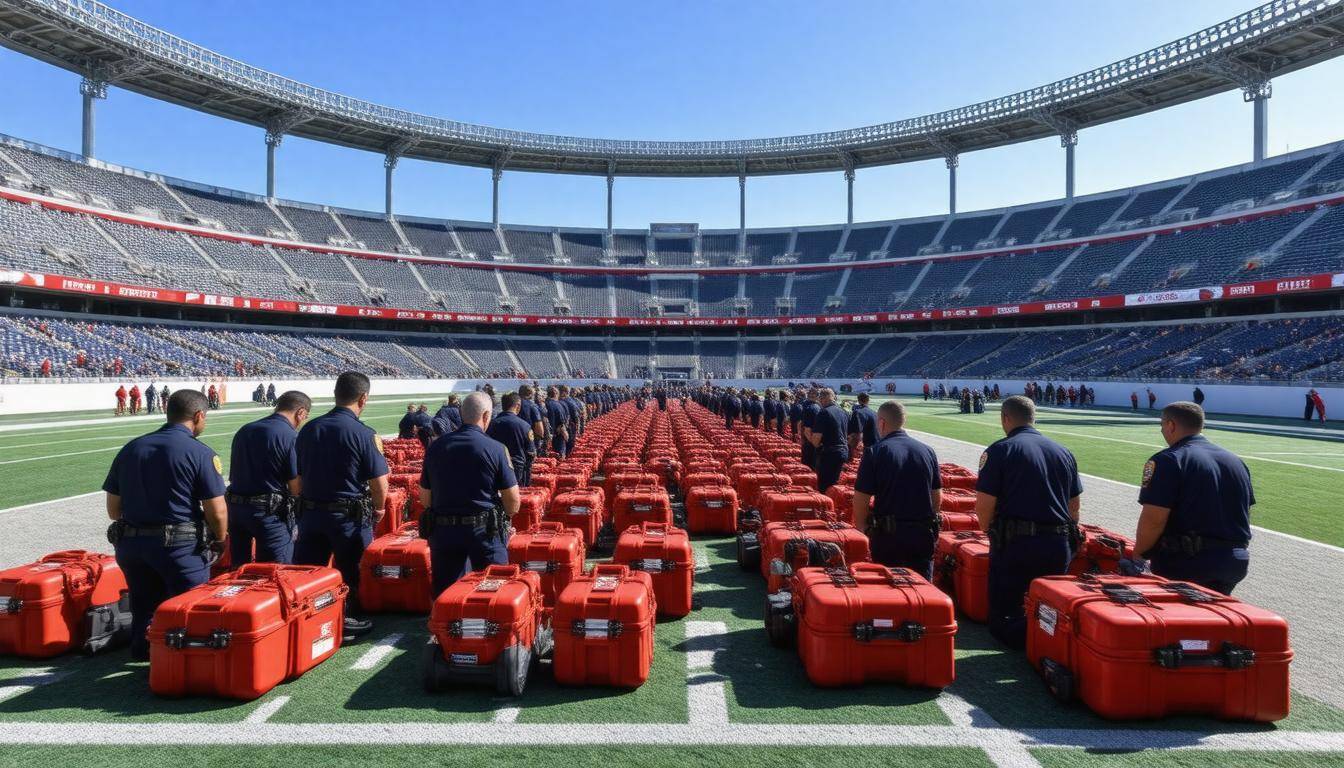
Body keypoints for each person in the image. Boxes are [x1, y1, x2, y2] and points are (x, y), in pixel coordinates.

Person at [103, 389, 227, 660]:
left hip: (131, 545)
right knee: (190, 608)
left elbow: (114, 510)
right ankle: (182, 665)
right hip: (179, 548)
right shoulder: (200, 453)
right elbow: (216, 510)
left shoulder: (131, 448)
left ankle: (144, 652)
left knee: (144, 604)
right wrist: (220, 538)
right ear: (198, 416)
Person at [975, 395, 1082, 649]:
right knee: (1051, 608)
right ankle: (1046, 647)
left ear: (1005, 418)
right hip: (1057, 543)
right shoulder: (1064, 451)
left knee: (1004, 617)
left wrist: (992, 532)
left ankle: (1029, 647)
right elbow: (1074, 506)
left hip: (1016, 544)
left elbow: (984, 506)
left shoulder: (1000, 450)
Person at [293, 372, 389, 639]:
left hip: (311, 513)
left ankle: (308, 620)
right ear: (363, 398)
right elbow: (379, 481)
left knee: (308, 571)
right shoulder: (363, 433)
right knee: (351, 571)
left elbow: (297, 477)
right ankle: (345, 618)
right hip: (346, 517)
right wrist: (379, 508)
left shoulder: (310, 429)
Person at [1135, 402, 1253, 595]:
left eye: (1162, 424)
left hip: (1186, 561)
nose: (1162, 430)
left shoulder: (1169, 459)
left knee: (1180, 621)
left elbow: (1154, 519)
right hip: (1234, 560)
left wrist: (1138, 558)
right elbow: (1245, 511)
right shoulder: (1235, 461)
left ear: (1171, 425)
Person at [420, 392, 520, 596]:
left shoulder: (436, 447)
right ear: (485, 416)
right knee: (493, 592)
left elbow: (425, 498)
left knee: (446, 595)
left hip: (444, 531)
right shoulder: (496, 449)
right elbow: (513, 503)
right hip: (484, 532)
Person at [852, 401, 942, 579]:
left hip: (889, 536)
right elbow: (937, 496)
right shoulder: (927, 451)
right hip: (921, 534)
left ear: (882, 423)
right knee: (922, 589)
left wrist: (862, 528)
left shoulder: (875, 452)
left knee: (890, 592)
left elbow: (861, 498)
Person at [226, 391, 310, 566]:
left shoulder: (245, 430)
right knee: (275, 570)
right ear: (300, 412)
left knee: (239, 569)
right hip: (268, 513)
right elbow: (295, 487)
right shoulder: (289, 436)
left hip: (236, 510)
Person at [487, 392, 533, 487]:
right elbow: (531, 452)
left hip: (495, 467)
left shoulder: (491, 424)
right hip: (517, 468)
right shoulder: (524, 425)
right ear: (518, 406)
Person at [809, 388, 850, 492]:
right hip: (843, 451)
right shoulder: (843, 411)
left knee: (824, 485)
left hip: (829, 452)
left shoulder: (824, 412)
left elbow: (816, 439)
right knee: (835, 483)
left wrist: (814, 444)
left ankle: (826, 506)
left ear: (822, 399)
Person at [799, 388, 821, 469]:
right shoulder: (814, 408)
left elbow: (801, 424)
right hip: (811, 441)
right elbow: (807, 429)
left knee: (807, 465)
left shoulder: (806, 405)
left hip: (809, 440)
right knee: (810, 466)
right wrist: (815, 444)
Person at [546, 385, 571, 458]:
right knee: (559, 457)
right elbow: (561, 423)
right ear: (556, 394)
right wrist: (565, 433)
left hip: (547, 435)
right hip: (558, 435)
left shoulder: (545, 404)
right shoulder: (558, 405)